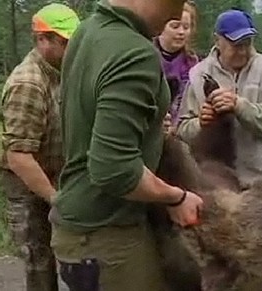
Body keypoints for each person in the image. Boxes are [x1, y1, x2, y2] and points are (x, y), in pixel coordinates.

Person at [49, 0, 204, 290]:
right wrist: (175, 197)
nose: (176, 14)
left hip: (77, 231)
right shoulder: (134, 52)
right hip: (109, 237)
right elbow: (114, 168)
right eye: (176, 3)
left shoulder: (87, 32)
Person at [0, 3, 80, 291]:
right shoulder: (28, 83)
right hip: (26, 182)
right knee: (39, 256)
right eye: (65, 42)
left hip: (54, 171)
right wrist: (55, 198)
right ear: (43, 40)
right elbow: (18, 156)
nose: (72, 48)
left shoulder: (61, 72)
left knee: (67, 248)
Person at [177, 8, 262, 185]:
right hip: (214, 184)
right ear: (217, 40)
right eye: (236, 45)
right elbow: (182, 129)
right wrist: (201, 123)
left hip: (261, 182)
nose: (243, 51)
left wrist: (239, 105)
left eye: (247, 43)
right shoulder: (198, 75)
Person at [154, 0, 199, 129]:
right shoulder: (145, 56)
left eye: (186, 27)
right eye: (175, 26)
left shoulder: (194, 66)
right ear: (161, 26)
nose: (181, 32)